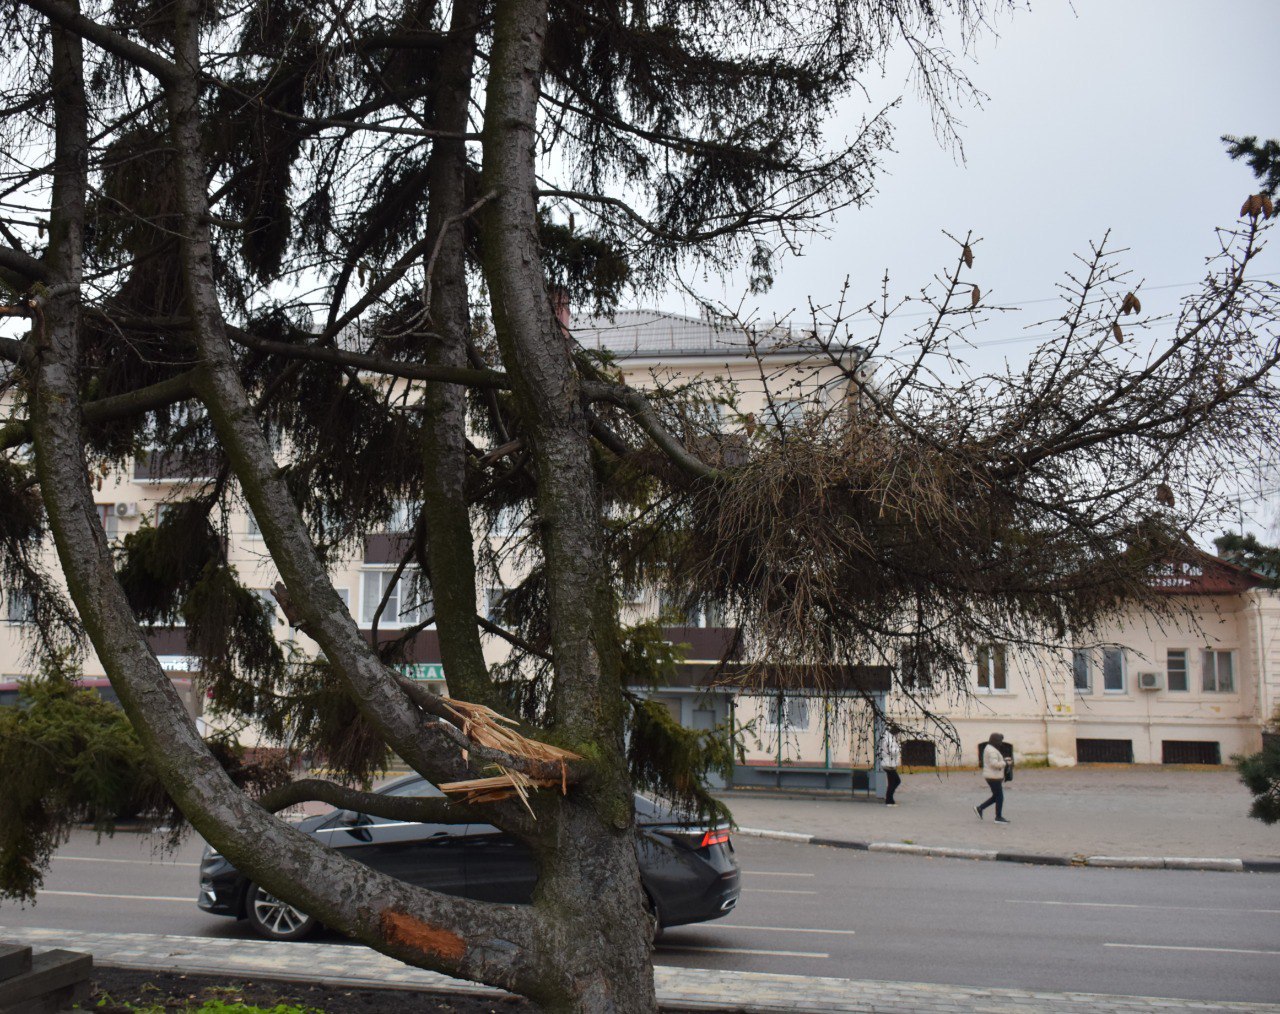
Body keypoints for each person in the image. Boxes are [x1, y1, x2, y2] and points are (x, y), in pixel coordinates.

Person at [975, 732, 1010, 823]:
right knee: (1000, 797)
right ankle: (998, 817)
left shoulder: (990, 748)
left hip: (992, 776)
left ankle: (980, 808)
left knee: (996, 796)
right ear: (995, 741)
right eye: (1000, 741)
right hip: (993, 777)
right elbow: (994, 764)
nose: (1001, 743)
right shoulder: (992, 751)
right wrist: (1005, 763)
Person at [878, 727, 902, 806]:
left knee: (892, 782)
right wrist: (899, 748)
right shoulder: (889, 739)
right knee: (896, 781)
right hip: (888, 764)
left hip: (889, 763)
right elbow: (892, 751)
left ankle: (890, 800)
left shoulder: (888, 738)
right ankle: (889, 800)